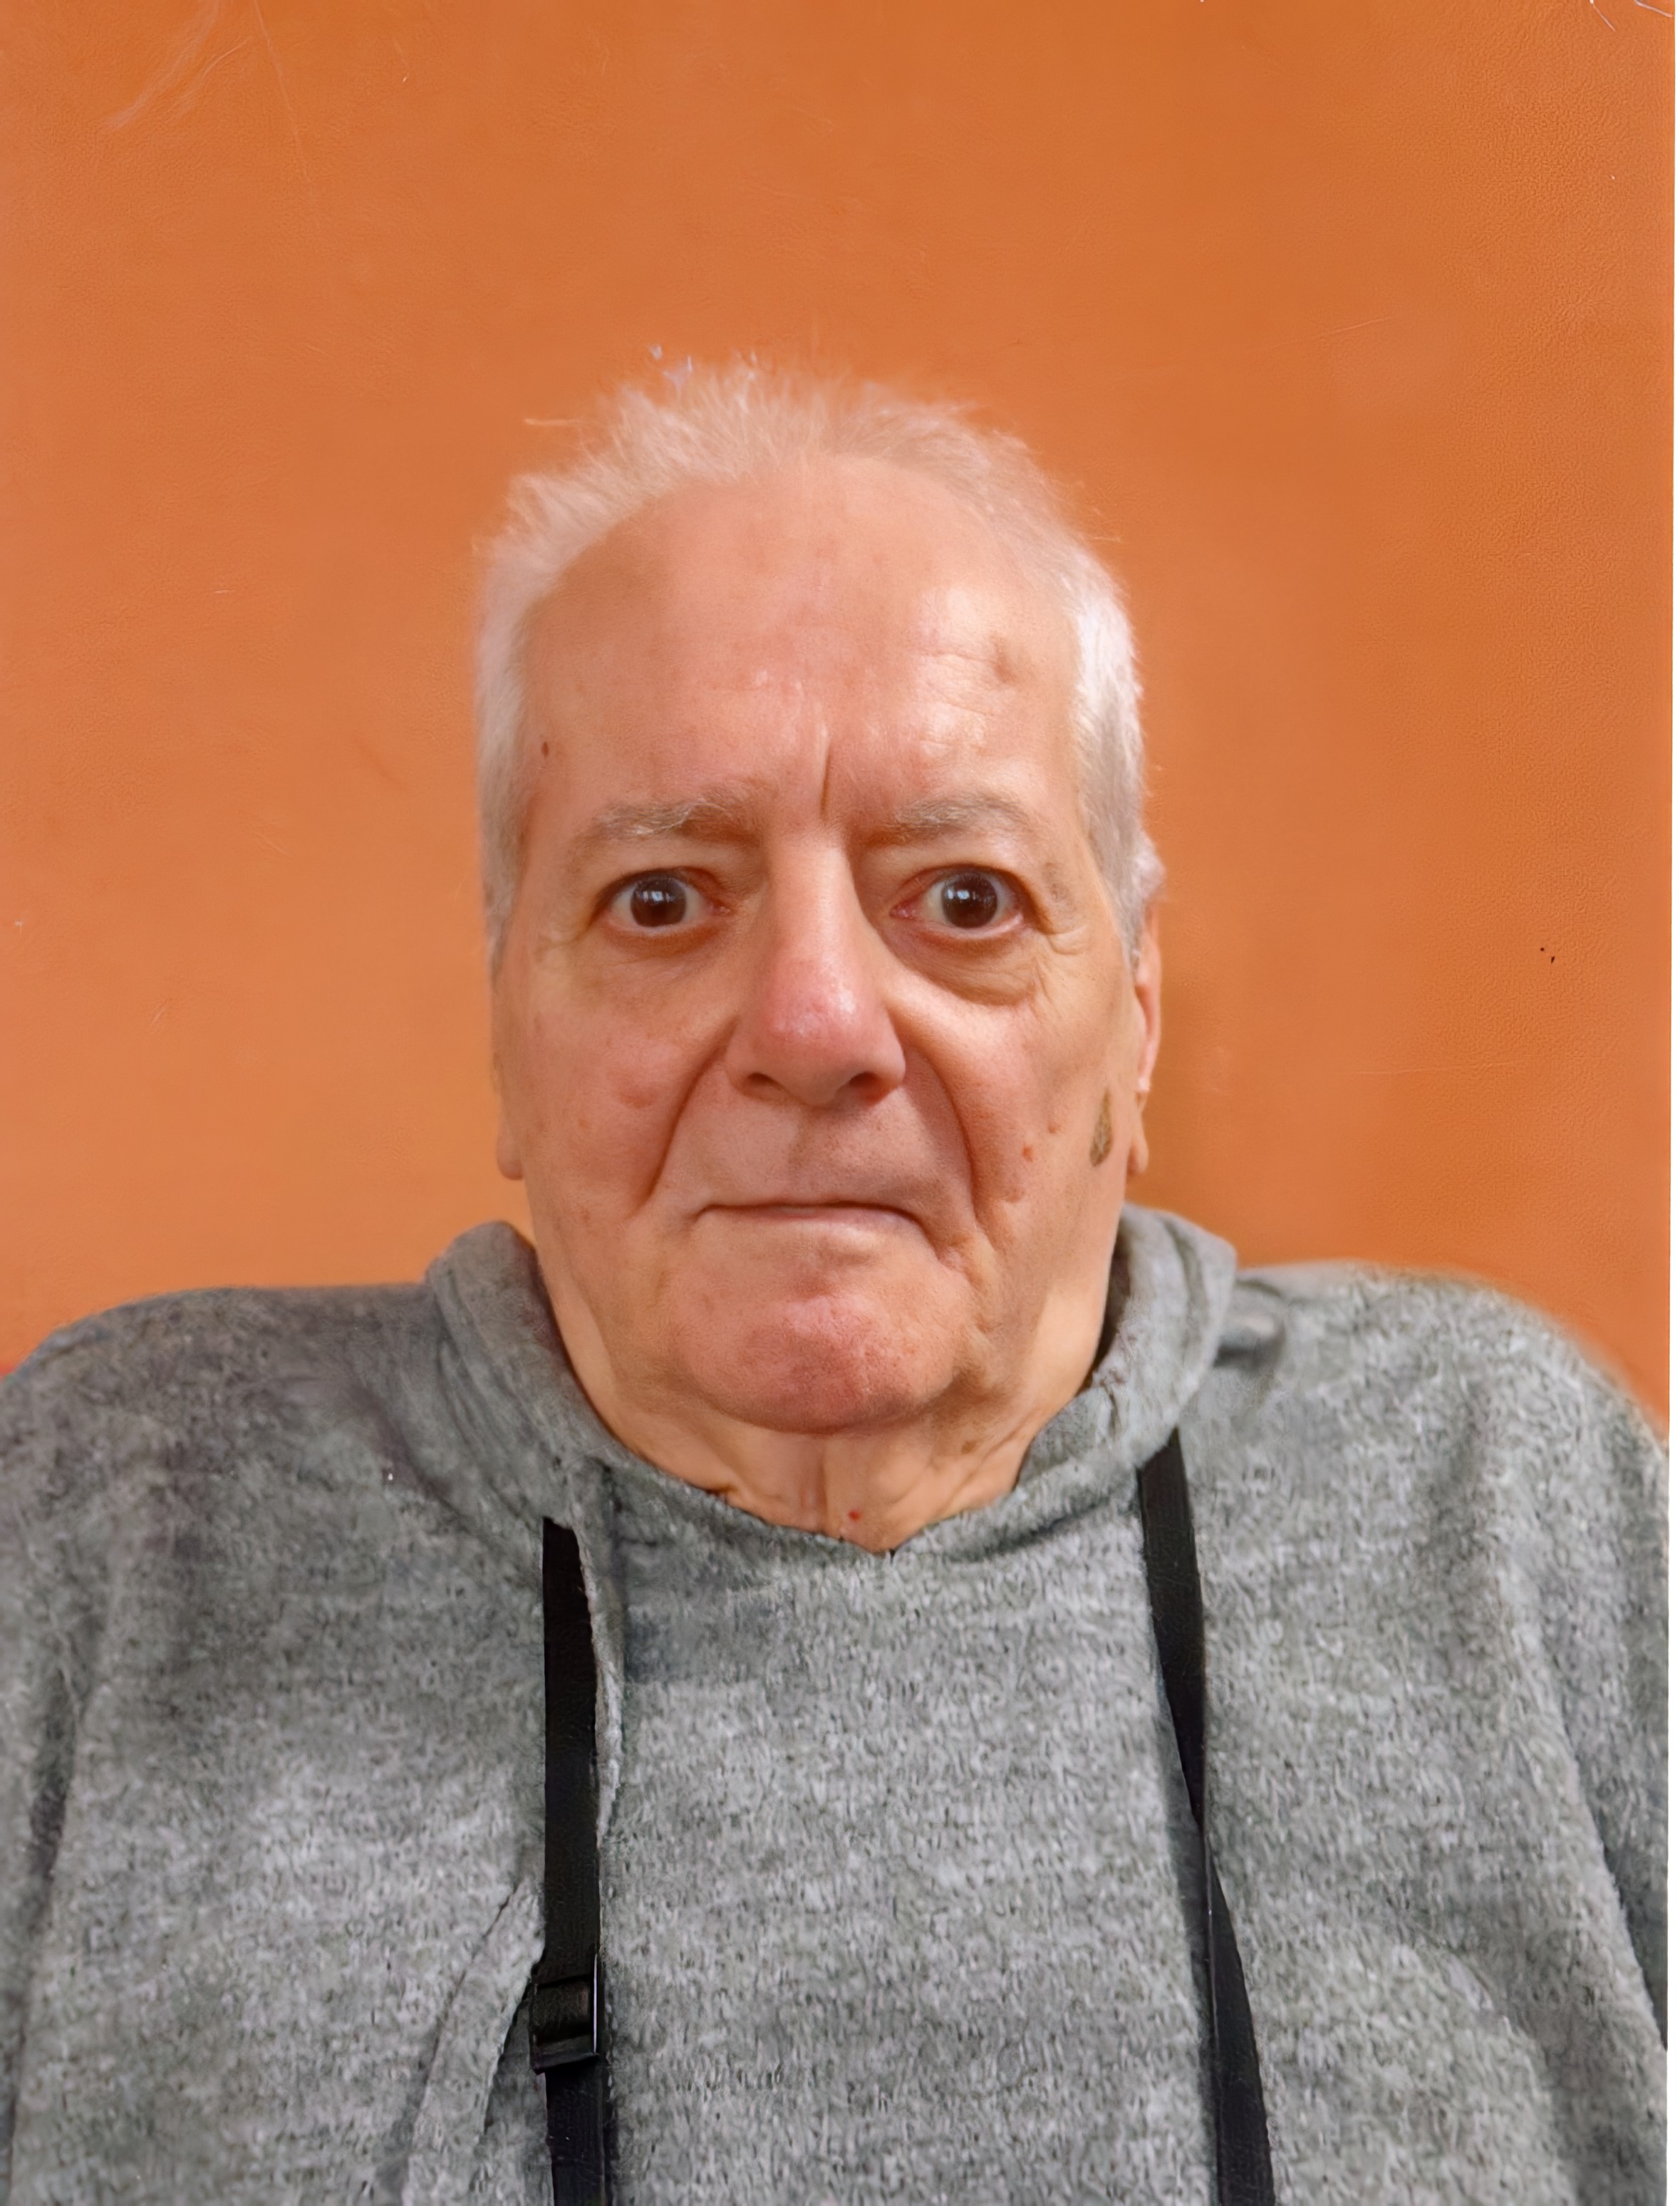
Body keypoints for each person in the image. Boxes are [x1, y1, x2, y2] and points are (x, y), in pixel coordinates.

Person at [0, 365, 1663, 2205]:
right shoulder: (113, 1524)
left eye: (963, 898)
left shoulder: (1507, 1497)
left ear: (1134, 1010)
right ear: (505, 1020)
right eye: (661, 899)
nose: (812, 1024)